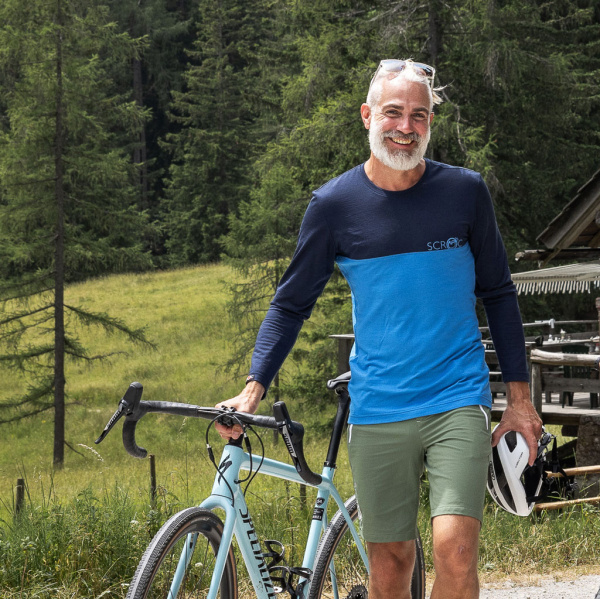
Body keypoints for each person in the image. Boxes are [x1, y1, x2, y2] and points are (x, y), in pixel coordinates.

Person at [216, 59, 543, 599]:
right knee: (390, 566)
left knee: (455, 550)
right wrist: (253, 391)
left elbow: (501, 295)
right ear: (368, 116)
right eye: (393, 112)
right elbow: (290, 304)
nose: (405, 127)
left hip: (456, 398)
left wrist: (519, 400)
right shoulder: (334, 206)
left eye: (419, 115)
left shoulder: (465, 193)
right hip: (379, 407)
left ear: (431, 123)